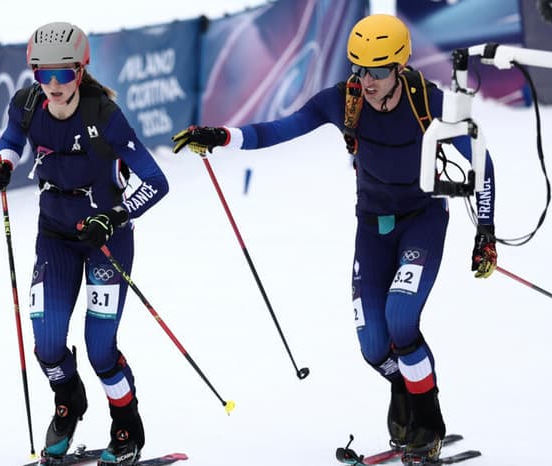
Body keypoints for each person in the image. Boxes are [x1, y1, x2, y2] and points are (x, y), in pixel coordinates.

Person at [171, 14, 497, 463]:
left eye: (378, 71)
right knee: (373, 346)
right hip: (372, 228)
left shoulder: (429, 101)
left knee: (402, 318)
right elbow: (278, 129)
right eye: (359, 68)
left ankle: (427, 421)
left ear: (399, 67)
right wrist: (221, 135)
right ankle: (406, 389)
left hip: (421, 221)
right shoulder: (344, 102)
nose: (367, 80)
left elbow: (482, 163)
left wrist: (486, 232)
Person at [0, 22, 169, 466]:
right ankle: (68, 400)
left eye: (62, 75)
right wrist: (2, 163)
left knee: (98, 347)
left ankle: (126, 422)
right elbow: (12, 139)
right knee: (47, 344)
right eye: (42, 74)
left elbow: (157, 182)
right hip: (55, 237)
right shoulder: (27, 104)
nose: (53, 85)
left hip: (106, 242)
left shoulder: (104, 115)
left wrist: (115, 215)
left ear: (80, 72)